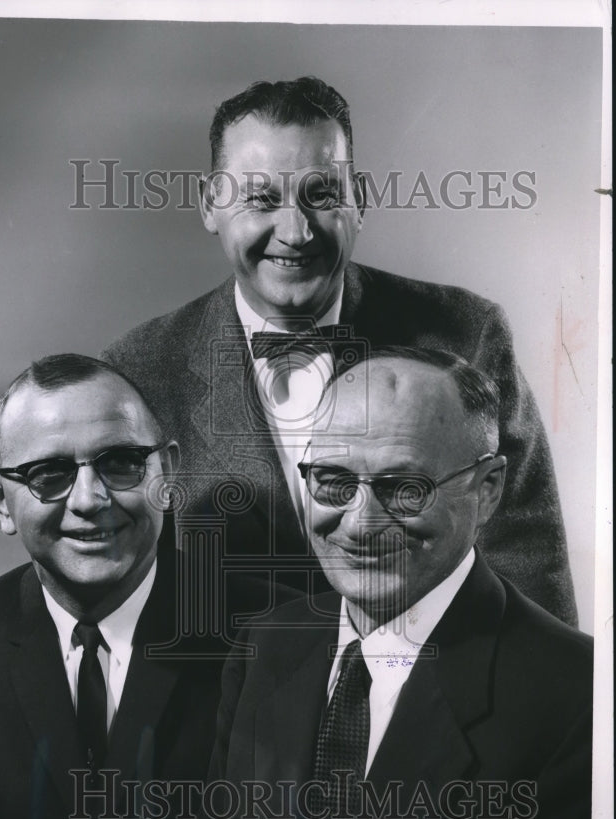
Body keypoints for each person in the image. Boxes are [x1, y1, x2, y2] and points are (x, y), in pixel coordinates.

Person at [102, 75, 577, 626]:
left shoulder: (467, 334)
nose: (296, 232)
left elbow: (529, 567)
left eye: (321, 195)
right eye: (260, 198)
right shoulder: (138, 370)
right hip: (220, 704)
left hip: (429, 697)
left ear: (360, 202)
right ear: (211, 206)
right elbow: (126, 599)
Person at [177, 347, 592, 819]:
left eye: (405, 489)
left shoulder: (579, 697)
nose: (360, 523)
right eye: (332, 482)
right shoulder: (264, 645)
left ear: (489, 487)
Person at [0, 353, 278, 819]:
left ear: (169, 474)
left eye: (121, 464)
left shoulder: (279, 637)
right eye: (49, 475)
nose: (89, 500)